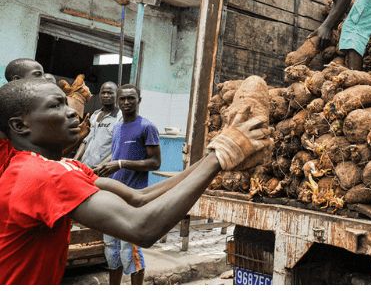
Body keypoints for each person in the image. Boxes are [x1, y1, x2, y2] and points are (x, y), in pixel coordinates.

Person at [0, 78, 271, 284]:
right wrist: (220, 157)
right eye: (55, 106)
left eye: (65, 101)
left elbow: (139, 198)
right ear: (20, 126)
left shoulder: (63, 166)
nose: (71, 111)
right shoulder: (42, 175)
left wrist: (215, 154)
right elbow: (141, 227)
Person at [93, 84, 159, 285]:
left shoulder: (147, 127)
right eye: (123, 99)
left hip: (133, 199)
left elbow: (155, 162)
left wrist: (121, 164)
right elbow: (117, 156)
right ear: (118, 100)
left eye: (131, 98)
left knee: (130, 250)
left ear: (139, 99)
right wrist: (106, 166)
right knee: (111, 250)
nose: (126, 102)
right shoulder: (118, 127)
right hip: (113, 197)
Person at [75, 82, 121, 168]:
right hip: (84, 166)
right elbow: (85, 140)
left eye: (110, 93)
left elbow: (119, 148)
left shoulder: (120, 118)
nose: (106, 95)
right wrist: (75, 159)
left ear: (117, 95)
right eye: (103, 93)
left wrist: (101, 166)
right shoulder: (95, 115)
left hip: (101, 170)